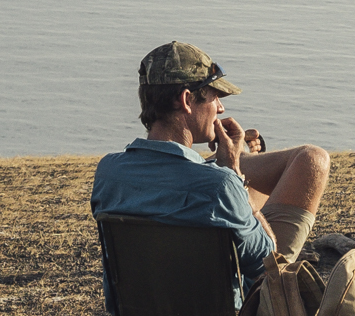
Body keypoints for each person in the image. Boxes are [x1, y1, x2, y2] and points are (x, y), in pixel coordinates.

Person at [89, 41, 333, 274]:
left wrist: (223, 167)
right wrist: (233, 173)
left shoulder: (108, 173)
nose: (220, 108)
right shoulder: (219, 185)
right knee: (311, 159)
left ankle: (242, 158)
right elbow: (266, 260)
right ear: (186, 100)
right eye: (214, 97)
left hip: (140, 310)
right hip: (225, 314)